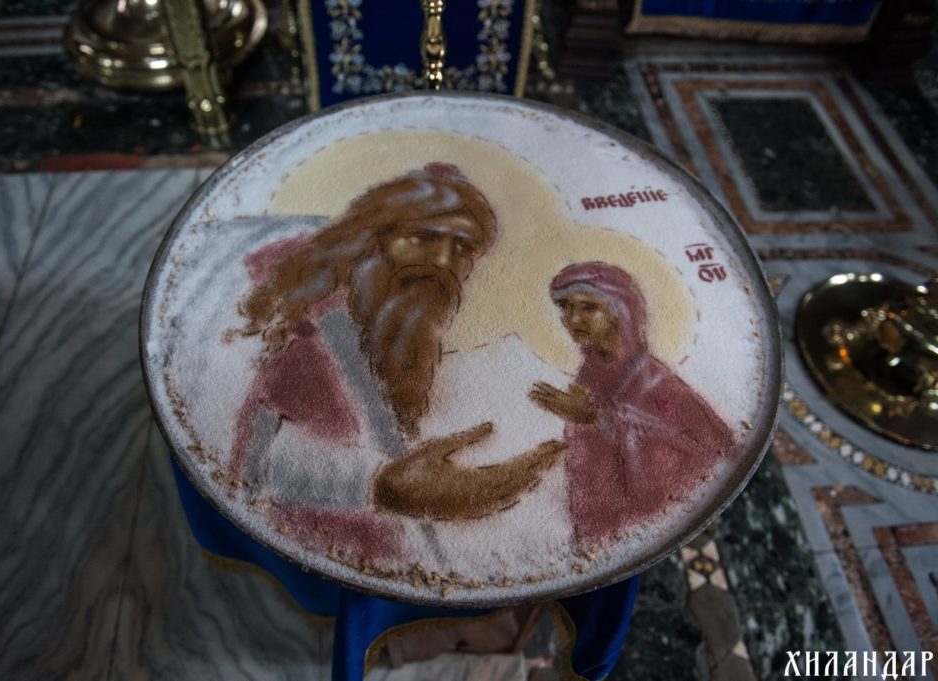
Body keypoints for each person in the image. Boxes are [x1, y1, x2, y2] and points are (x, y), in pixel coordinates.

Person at [224, 164, 564, 560]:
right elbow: (253, 461)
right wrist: (380, 485)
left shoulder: (396, 332)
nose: (443, 260)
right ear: (370, 239)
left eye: (463, 248)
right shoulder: (302, 329)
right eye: (423, 237)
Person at [530, 262, 735, 547]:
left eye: (589, 307)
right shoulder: (590, 376)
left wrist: (596, 420)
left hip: (656, 529)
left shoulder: (654, 382)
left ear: (620, 312)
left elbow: (707, 455)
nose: (572, 318)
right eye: (565, 307)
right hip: (603, 532)